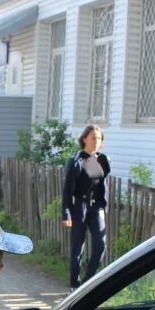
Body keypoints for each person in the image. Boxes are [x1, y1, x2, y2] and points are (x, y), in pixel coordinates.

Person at [61, 125, 111, 291]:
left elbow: (103, 186)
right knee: (78, 248)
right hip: (79, 206)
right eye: (93, 138)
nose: (96, 141)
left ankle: (88, 282)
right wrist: (66, 213)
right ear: (84, 140)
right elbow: (68, 189)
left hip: (95, 207)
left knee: (100, 244)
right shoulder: (76, 161)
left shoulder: (103, 160)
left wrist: (103, 207)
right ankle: (74, 285)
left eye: (99, 139)